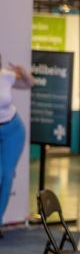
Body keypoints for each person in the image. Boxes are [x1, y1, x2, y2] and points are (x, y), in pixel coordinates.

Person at [0, 55, 33, 236]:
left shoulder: (5, 76)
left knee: (6, 176)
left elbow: (29, 84)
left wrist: (24, 74)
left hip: (13, 129)